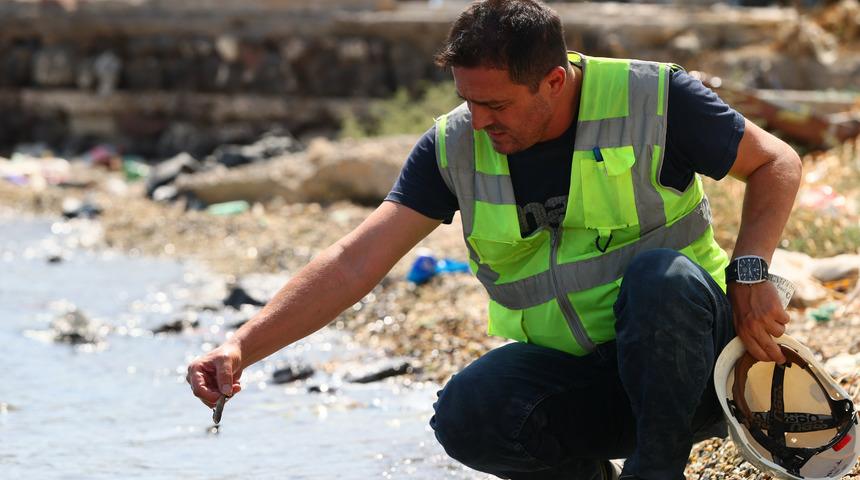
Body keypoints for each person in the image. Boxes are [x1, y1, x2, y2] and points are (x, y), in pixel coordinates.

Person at [187, 1, 802, 478]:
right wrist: (242, 346)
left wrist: (751, 272)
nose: (480, 120)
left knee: (659, 280)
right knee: (468, 411)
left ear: (555, 82)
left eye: (497, 104)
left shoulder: (654, 97)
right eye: (467, 100)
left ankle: (656, 471)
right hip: (593, 384)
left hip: (704, 369)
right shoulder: (454, 145)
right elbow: (354, 263)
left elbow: (775, 162)